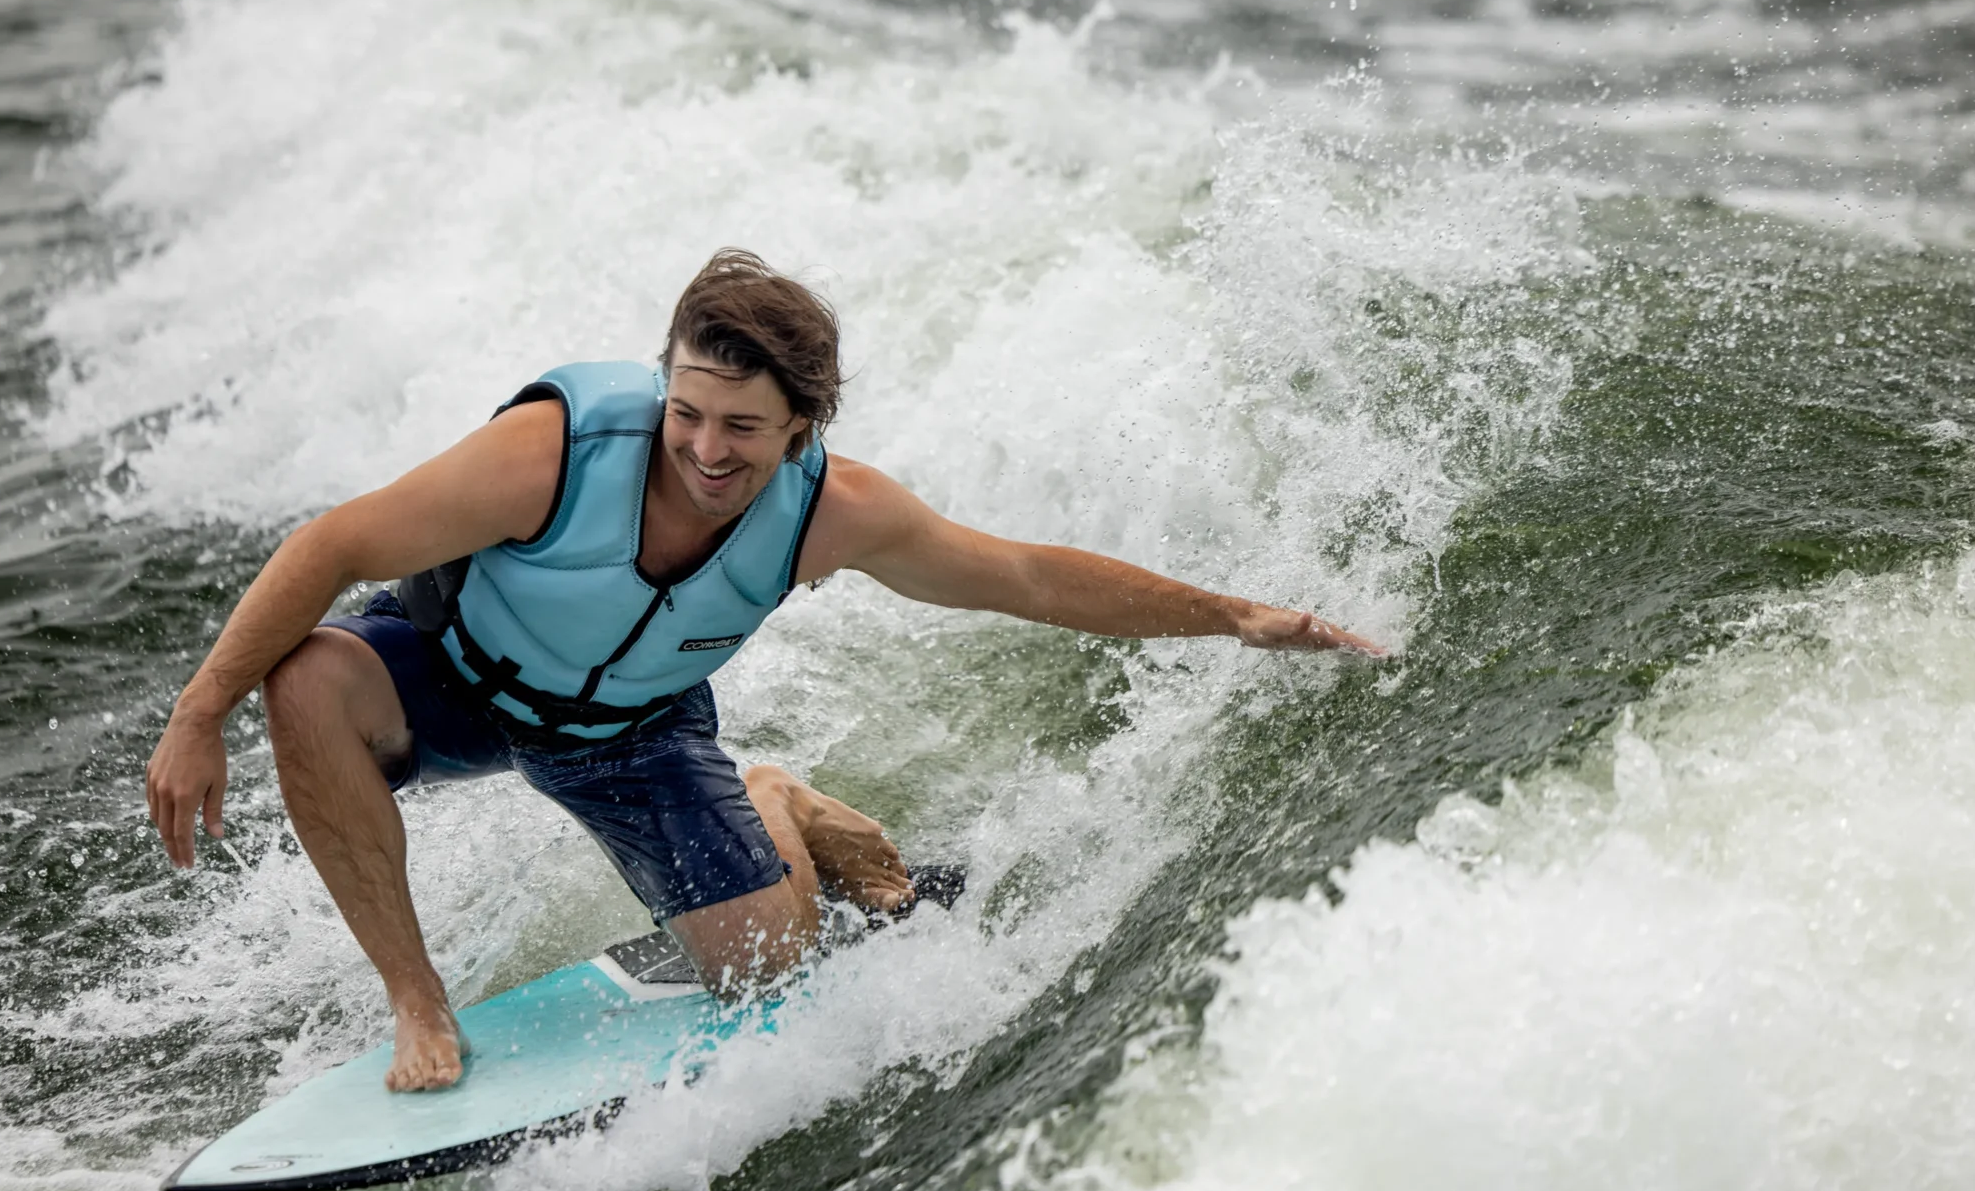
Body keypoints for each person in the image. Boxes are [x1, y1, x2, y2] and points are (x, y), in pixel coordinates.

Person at [145, 249, 1386, 1092]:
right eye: (688, 411)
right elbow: (331, 544)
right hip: (455, 670)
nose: (705, 448)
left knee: (758, 969)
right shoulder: (553, 451)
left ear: (803, 425)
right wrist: (201, 712)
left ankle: (776, 800)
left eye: (743, 426)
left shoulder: (829, 513)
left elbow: (1022, 578)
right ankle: (418, 1003)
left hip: (626, 730)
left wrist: (1233, 617)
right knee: (303, 679)